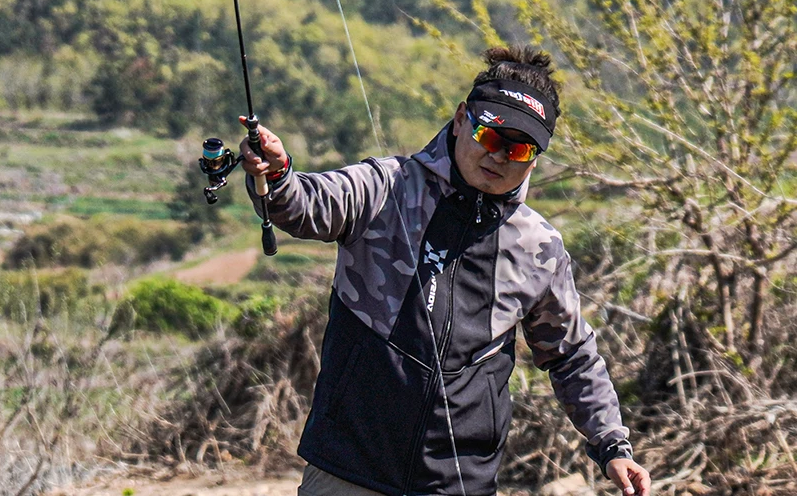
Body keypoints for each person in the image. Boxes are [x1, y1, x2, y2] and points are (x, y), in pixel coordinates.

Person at [240, 46, 651, 496]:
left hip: (458, 482)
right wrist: (277, 176)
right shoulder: (385, 186)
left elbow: (571, 356)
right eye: (489, 135)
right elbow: (305, 207)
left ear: (534, 159)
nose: (499, 156)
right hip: (348, 466)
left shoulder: (539, 247)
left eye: (519, 148)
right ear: (460, 120)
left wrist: (612, 445)